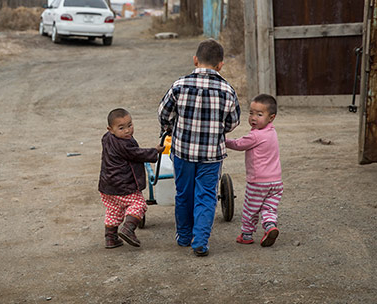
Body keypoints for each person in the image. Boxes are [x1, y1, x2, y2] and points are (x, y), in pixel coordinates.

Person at [158, 39, 240, 256]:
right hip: (211, 155)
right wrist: (217, 130)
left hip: (183, 152)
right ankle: (200, 241)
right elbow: (233, 122)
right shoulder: (227, 90)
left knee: (183, 193)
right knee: (206, 196)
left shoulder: (179, 85)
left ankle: (184, 236)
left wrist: (169, 126)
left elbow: (163, 114)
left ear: (195, 60)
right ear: (220, 65)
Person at [99, 108, 164, 248]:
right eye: (121, 128)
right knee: (138, 204)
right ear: (110, 129)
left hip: (107, 185)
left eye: (130, 125)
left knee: (114, 209)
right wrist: (155, 151)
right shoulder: (124, 144)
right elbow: (136, 154)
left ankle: (111, 238)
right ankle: (128, 229)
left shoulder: (107, 138)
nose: (127, 130)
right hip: (123, 184)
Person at [225, 94, 283, 247]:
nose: (253, 118)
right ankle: (270, 226)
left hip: (258, 182)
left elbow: (238, 144)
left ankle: (246, 234)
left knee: (250, 208)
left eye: (259, 114)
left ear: (271, 117)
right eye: (251, 113)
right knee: (269, 207)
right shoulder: (272, 132)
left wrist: (222, 141)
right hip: (276, 182)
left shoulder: (256, 135)